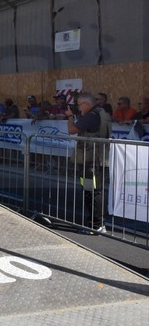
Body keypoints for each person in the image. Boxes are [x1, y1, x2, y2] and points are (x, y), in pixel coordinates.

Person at [66, 92, 111, 234]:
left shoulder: (92, 115)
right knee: (95, 191)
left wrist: (70, 116)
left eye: (79, 105)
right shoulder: (103, 113)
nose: (78, 108)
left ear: (87, 104)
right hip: (98, 158)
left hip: (90, 160)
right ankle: (97, 224)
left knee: (91, 192)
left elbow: (72, 130)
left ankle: (95, 225)